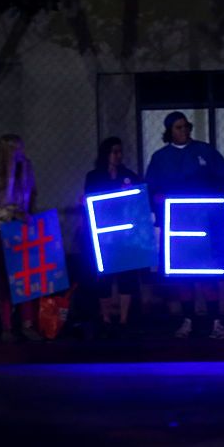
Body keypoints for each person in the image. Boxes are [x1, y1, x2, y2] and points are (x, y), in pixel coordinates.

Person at [145, 111, 224, 340]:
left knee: (207, 274)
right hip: (177, 226)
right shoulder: (160, 158)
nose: (184, 130)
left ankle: (216, 322)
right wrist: (157, 200)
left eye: (186, 126)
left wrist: (223, 200)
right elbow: (151, 188)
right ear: (169, 131)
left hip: (204, 223)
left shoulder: (204, 151)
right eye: (178, 127)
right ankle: (188, 321)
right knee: (182, 276)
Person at [0, 134, 40, 342]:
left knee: (27, 277)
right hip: (0, 230)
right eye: (15, 150)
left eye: (21, 149)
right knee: (6, 280)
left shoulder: (26, 169)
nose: (20, 153)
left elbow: (32, 194)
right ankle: (6, 327)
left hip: (21, 229)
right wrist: (11, 213)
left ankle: (27, 324)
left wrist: (29, 215)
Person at [83, 137, 142, 338]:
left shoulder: (128, 175)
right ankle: (106, 317)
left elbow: (139, 197)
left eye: (120, 151)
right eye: (114, 151)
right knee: (104, 276)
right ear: (106, 154)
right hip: (104, 234)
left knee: (127, 275)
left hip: (125, 234)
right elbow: (89, 200)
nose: (118, 155)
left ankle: (124, 319)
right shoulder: (94, 176)